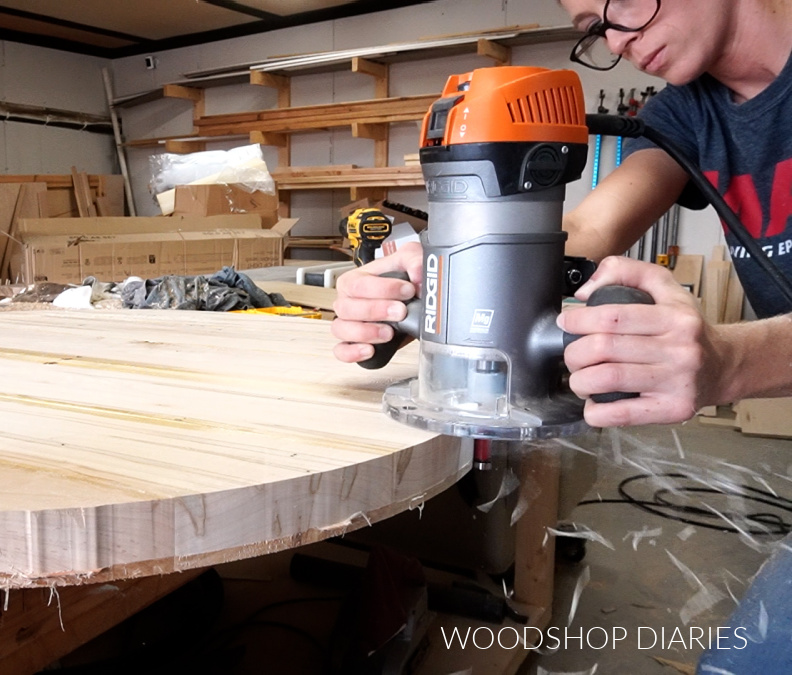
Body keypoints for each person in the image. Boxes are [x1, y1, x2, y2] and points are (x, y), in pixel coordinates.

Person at [331, 0, 792, 430]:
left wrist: (732, 361)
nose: (615, 42)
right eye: (595, 29)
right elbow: (589, 228)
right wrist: (440, 295)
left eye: (623, 0)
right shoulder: (684, 110)